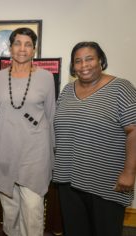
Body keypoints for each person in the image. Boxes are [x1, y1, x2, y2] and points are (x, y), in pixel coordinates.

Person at [53, 41, 136, 236]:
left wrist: (129, 172)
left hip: (106, 182)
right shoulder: (67, 90)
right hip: (69, 180)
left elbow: (134, 130)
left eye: (89, 59)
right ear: (73, 66)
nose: (84, 65)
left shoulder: (121, 88)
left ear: (101, 60)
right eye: (78, 61)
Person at [0, 27, 56, 236]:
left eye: (28, 44)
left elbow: (51, 116)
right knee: (10, 211)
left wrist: (52, 155)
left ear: (34, 50)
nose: (22, 49)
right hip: (4, 152)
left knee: (33, 210)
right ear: (10, 47)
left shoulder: (46, 77)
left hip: (35, 154)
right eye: (18, 43)